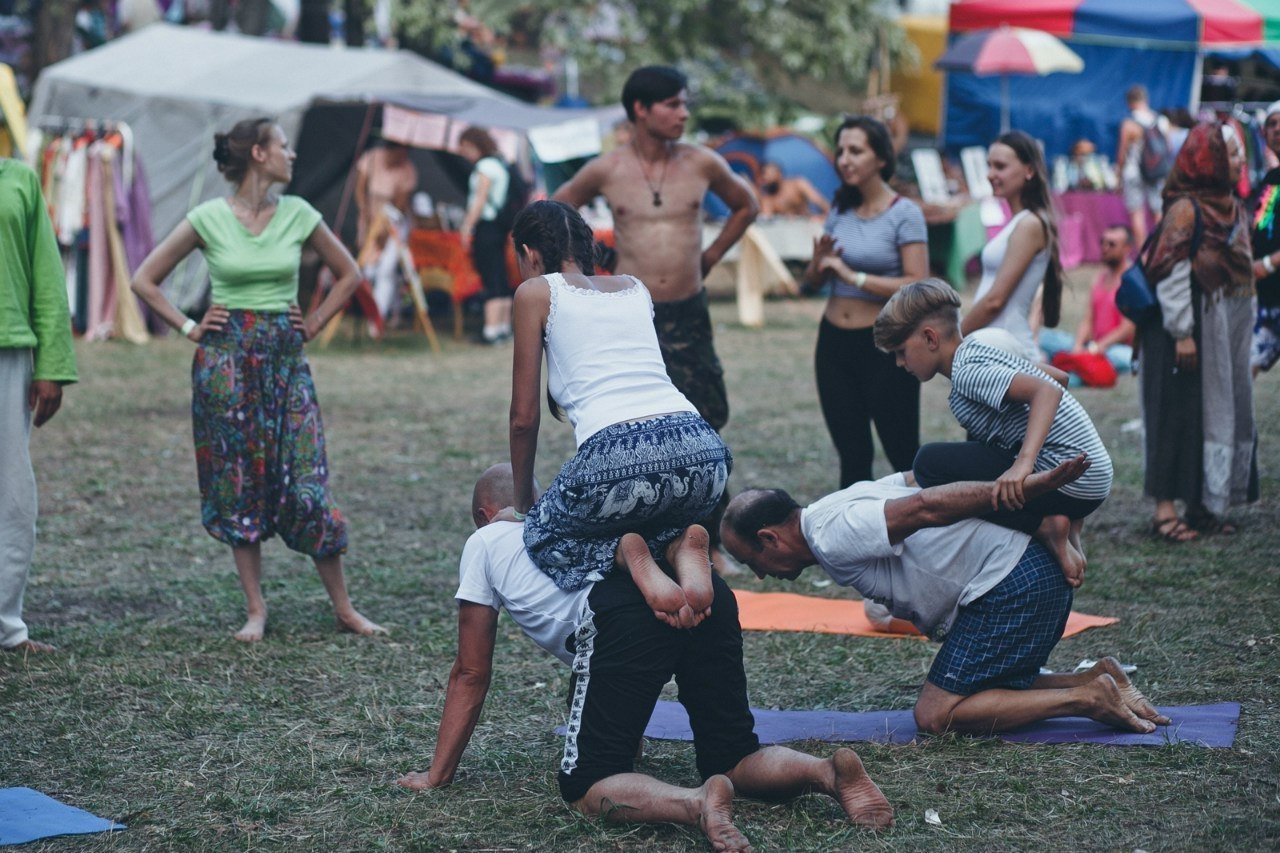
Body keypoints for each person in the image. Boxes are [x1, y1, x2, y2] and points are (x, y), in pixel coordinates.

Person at [398, 464, 895, 851]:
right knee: (734, 754)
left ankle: (695, 803)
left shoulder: (484, 541)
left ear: (485, 514)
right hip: (706, 598)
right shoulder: (573, 516)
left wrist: (437, 773)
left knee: (587, 783)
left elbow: (471, 670)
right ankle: (826, 772)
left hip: (624, 617)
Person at [131, 117, 384, 641]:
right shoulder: (208, 217)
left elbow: (350, 275)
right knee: (236, 481)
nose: (293, 155)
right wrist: (188, 326)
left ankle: (344, 608)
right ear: (260, 155)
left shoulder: (298, 213)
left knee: (307, 481)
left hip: (285, 362)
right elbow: (144, 279)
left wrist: (313, 323)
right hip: (224, 364)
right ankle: (255, 609)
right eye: (284, 146)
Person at [720, 458, 1170, 736]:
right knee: (985, 691)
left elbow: (925, 504)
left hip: (1013, 585)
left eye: (753, 561)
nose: (759, 576)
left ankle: (1088, 700)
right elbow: (923, 475)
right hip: (1020, 580)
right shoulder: (833, 508)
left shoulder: (831, 533)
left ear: (769, 537)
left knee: (936, 715)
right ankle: (1095, 678)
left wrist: (1020, 492)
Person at [553, 65, 759, 573]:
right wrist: (592, 268)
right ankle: (654, 537)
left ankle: (707, 540)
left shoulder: (702, 162)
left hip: (688, 311)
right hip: (632, 316)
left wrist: (708, 258)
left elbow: (746, 205)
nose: (683, 113)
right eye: (672, 104)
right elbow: (556, 211)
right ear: (641, 110)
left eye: (685, 103)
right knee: (638, 421)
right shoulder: (607, 169)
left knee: (705, 416)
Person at [506, 200, 731, 627]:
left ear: (529, 254)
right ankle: (678, 544)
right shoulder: (634, 287)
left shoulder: (535, 292)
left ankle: (627, 556)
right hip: (704, 455)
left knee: (544, 534)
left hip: (619, 458)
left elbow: (523, 417)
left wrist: (522, 507)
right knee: (647, 508)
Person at [874, 279, 1113, 583]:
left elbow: (1047, 391)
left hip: (1067, 477)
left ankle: (1044, 526)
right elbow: (1059, 379)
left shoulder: (967, 371)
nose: (899, 363)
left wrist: (1023, 464)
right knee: (971, 455)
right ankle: (1069, 526)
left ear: (930, 338)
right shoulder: (980, 348)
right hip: (1091, 478)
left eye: (900, 351)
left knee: (929, 464)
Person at [1138, 122, 1258, 542]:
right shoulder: (1185, 208)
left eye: (1241, 152)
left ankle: (1203, 504)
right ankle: (1165, 511)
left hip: (1218, 330)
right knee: (1174, 416)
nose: (1242, 160)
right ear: (1208, 159)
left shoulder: (1231, 205)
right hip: (1182, 332)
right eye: (1233, 153)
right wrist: (1183, 332)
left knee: (1208, 415)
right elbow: (1168, 272)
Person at [801, 115, 928, 488]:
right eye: (840, 151)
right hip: (833, 345)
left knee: (903, 452)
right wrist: (818, 265)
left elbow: (917, 283)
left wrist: (852, 276)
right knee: (852, 456)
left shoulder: (904, 213)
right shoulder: (840, 210)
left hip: (885, 347)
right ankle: (856, 543)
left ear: (882, 159)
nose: (844, 159)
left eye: (855, 150)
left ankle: (926, 537)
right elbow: (812, 282)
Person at [1, 158, 77, 654]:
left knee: (11, 495)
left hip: (8, 351)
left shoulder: (18, 178)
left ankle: (7, 626)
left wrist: (52, 361)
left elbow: (47, 277)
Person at [962, 130, 1065, 362]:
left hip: (1007, 350)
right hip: (996, 345)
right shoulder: (1020, 222)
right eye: (989, 166)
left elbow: (995, 300)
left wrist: (954, 337)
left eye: (1000, 166)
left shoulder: (1029, 224)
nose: (990, 174)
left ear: (1029, 170)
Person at [1039, 225, 1136, 374]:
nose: (1105, 248)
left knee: (1124, 358)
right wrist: (1078, 346)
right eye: (1102, 242)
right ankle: (1078, 365)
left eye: (1112, 244)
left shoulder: (1132, 280)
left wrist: (1098, 348)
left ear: (1127, 248)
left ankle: (1072, 369)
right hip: (1091, 346)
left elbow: (1127, 329)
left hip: (1117, 349)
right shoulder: (1099, 278)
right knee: (1043, 337)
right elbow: (1088, 320)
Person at [457, 126, 514, 345]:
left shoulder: (483, 167)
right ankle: (502, 327)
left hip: (486, 227)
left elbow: (479, 200)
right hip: (499, 226)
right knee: (500, 275)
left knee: (490, 276)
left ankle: (490, 330)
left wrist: (467, 226)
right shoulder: (500, 164)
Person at [354, 138, 419, 321]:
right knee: (367, 266)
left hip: (393, 222)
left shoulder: (407, 170)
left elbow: (400, 204)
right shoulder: (372, 158)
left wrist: (383, 228)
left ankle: (379, 315)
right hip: (369, 217)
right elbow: (360, 189)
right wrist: (365, 213)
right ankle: (368, 309)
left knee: (386, 269)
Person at [1248, 100, 1280, 378]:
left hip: (1271, 278)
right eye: (1272, 123)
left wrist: (1268, 263)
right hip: (1269, 300)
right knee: (1246, 368)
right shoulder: (1270, 178)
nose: (1278, 129)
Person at [1116, 85, 1171, 247]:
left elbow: (1122, 154)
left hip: (1133, 173)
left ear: (1129, 103)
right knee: (1158, 213)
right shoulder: (1161, 121)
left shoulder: (1129, 123)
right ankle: (1162, 251)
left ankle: (1143, 256)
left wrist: (1118, 177)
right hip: (1156, 173)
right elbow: (1167, 149)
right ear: (1146, 99)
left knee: (1137, 215)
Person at [756, 161, 829, 218]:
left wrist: (826, 216)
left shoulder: (798, 184)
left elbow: (818, 200)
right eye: (764, 175)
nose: (766, 177)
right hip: (786, 230)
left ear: (779, 173)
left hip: (806, 223)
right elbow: (766, 217)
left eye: (769, 174)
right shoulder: (768, 197)